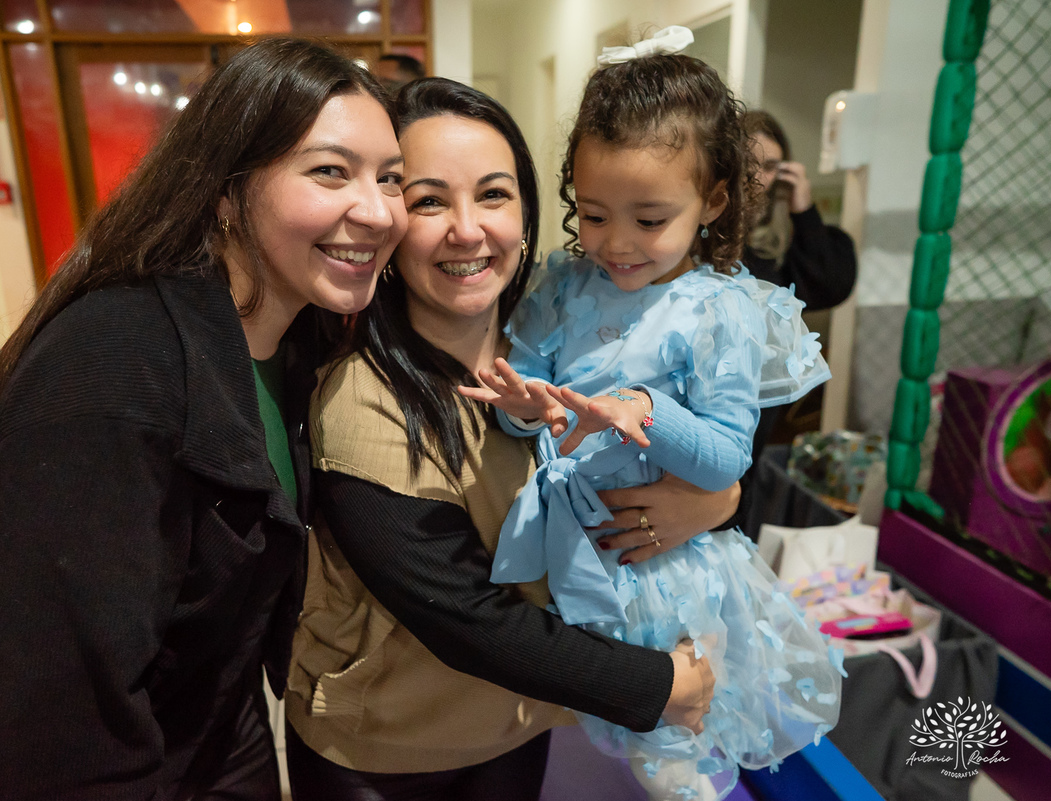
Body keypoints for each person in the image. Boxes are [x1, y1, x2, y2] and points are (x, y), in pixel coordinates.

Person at [0, 38, 406, 801]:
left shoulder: (290, 346)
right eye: (330, 171)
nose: (378, 210)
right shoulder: (116, 365)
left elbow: (223, 657)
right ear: (225, 190)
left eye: (390, 177)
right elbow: (67, 724)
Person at [284, 78, 737, 801]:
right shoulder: (360, 398)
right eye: (429, 200)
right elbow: (469, 619)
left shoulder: (570, 348)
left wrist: (714, 500)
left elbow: (694, 448)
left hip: (518, 727)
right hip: (390, 755)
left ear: (527, 212)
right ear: (390, 223)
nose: (468, 229)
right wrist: (658, 686)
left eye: (493, 194)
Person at [462, 30, 843, 800]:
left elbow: (727, 457)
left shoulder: (719, 309)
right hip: (566, 551)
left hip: (660, 571)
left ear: (714, 199)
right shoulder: (567, 284)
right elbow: (531, 400)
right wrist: (524, 407)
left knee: (670, 757)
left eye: (649, 218)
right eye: (595, 214)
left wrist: (646, 409)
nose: (617, 243)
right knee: (572, 748)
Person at [741, 110, 859, 481]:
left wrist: (803, 207)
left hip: (760, 409)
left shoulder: (770, 245)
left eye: (771, 166)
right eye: (749, 162)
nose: (758, 176)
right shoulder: (702, 232)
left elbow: (829, 285)